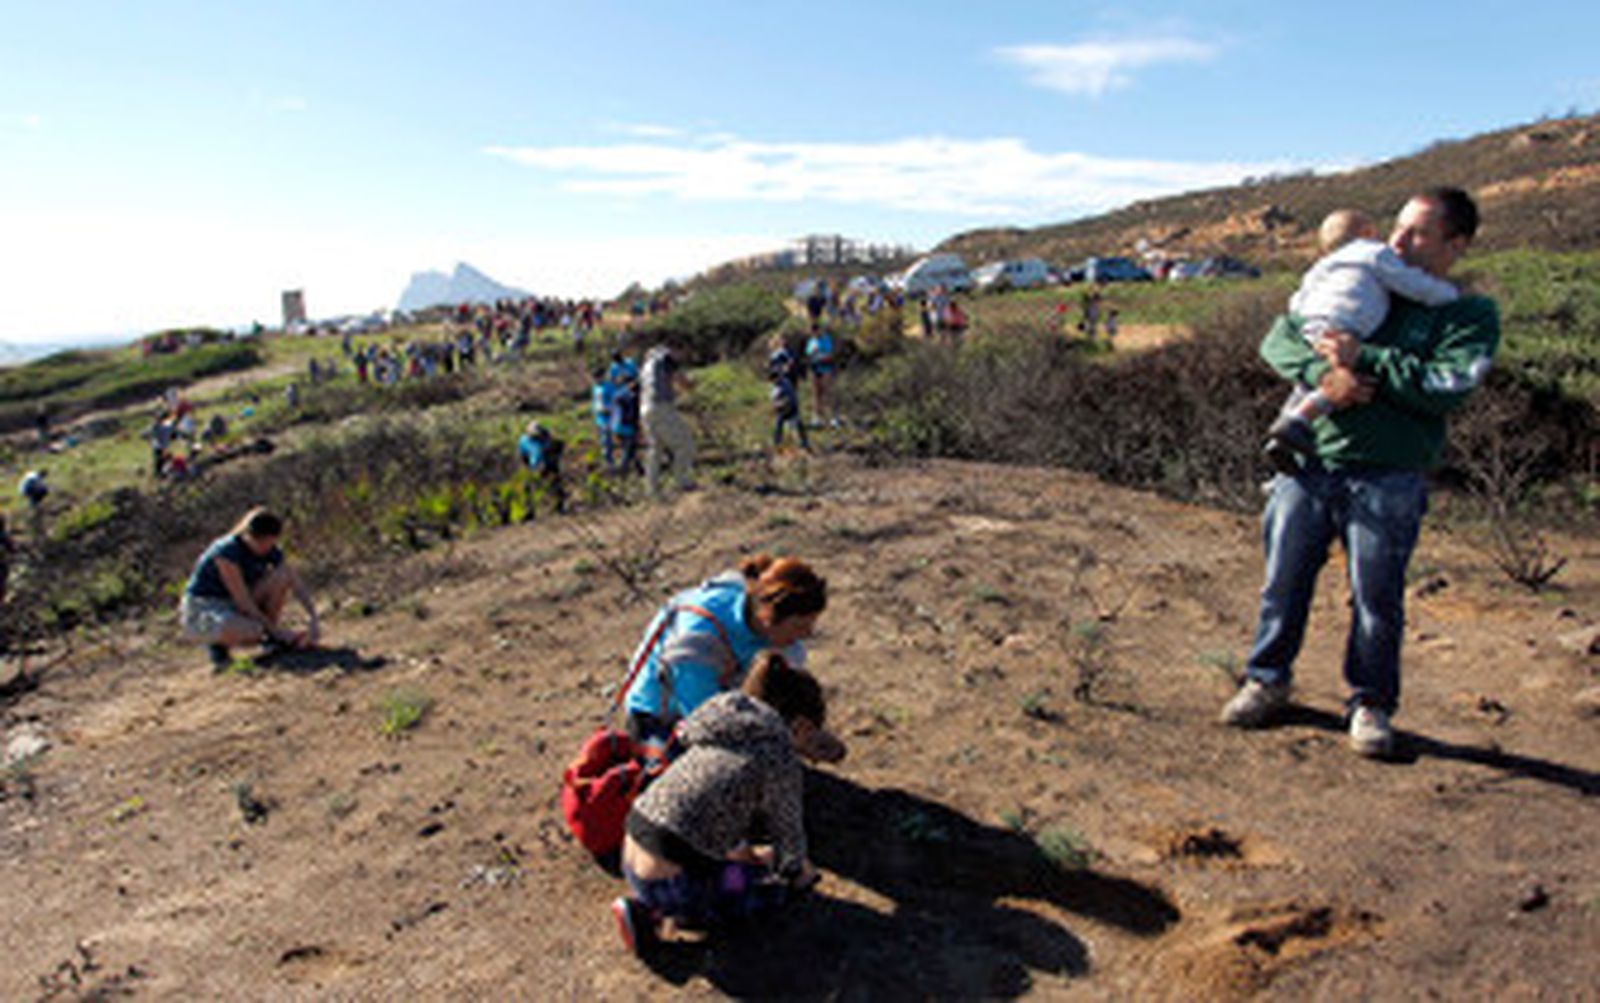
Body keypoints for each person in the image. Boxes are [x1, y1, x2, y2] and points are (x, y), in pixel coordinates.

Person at [1221, 188, 1500, 758]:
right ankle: (1266, 679)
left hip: (1388, 476)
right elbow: (1280, 337)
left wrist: (1365, 360)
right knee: (1282, 583)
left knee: (1376, 599)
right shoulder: (1366, 282)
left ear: (1457, 244)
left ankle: (1370, 704)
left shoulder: (1465, 312)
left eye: (1418, 233)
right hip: (1308, 464)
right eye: (1397, 227)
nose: (1397, 241)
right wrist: (1328, 380)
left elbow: (1448, 386)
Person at [611, 651, 826, 954]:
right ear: (801, 727)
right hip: (671, 878)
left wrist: (745, 851)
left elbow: (711, 805)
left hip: (632, 847)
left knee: (730, 854)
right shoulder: (778, 756)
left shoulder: (720, 717)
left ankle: (652, 897)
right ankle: (656, 912)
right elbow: (786, 828)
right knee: (768, 889)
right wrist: (798, 872)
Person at [1262, 208, 1461, 475]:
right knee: (1344, 377)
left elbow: (1296, 301)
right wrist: (1446, 294)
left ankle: (1284, 433)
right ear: (1368, 233)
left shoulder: (1321, 266)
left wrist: (1309, 323)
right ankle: (1297, 421)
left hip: (1310, 324)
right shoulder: (1373, 252)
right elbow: (1409, 282)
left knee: (1307, 381)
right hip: (1347, 324)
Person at [620, 554, 841, 756]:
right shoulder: (697, 641)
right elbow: (707, 726)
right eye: (800, 626)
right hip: (662, 717)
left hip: (723, 695)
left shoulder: (766, 618)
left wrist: (807, 732)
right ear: (768, 616)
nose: (807, 635)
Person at [180, 508, 320, 669]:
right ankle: (218, 646)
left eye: (270, 542)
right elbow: (243, 601)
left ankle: (269, 639)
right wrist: (276, 632)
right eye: (261, 542)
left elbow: (293, 580)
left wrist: (313, 618)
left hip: (236, 605)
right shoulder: (226, 551)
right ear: (249, 535)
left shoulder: (271, 551)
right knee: (248, 630)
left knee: (281, 576)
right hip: (206, 608)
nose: (265, 548)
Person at [640, 341, 696, 496]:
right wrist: (691, 384)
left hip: (645, 407)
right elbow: (682, 381)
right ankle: (682, 481)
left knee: (655, 448)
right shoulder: (666, 358)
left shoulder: (648, 361)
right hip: (661, 407)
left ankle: (651, 488)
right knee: (685, 444)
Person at [518, 420, 567, 514]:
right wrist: (527, 466)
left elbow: (559, 448)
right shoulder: (524, 441)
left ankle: (560, 506)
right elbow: (522, 455)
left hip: (548, 465)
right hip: (533, 466)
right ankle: (529, 510)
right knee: (527, 487)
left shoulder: (548, 439)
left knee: (555, 483)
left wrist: (552, 461)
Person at [804, 324, 837, 427]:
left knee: (828, 392)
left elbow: (829, 355)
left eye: (815, 332)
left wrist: (819, 356)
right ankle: (817, 418)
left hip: (825, 368)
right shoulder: (811, 341)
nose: (814, 334)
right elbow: (808, 354)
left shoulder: (826, 339)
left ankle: (832, 418)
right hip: (814, 369)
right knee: (816, 393)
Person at [591, 371, 618, 472]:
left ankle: (609, 463)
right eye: (594, 378)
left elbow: (615, 400)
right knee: (602, 440)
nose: (595, 380)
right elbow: (594, 402)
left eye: (597, 377)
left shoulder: (609, 387)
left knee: (607, 441)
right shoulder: (595, 388)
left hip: (608, 417)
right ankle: (606, 461)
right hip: (599, 418)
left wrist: (610, 410)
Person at [18, 470, 48, 542]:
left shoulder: (32, 475)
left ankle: (35, 505)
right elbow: (38, 486)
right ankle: (34, 506)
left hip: (24, 489)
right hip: (26, 489)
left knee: (41, 491)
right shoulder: (35, 477)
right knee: (43, 490)